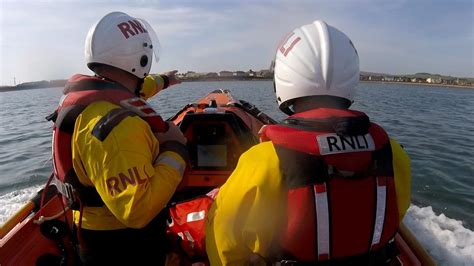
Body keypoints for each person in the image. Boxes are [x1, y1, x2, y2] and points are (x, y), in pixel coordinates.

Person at [205, 20, 411, 265]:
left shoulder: (263, 160)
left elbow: (223, 246)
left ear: (283, 76)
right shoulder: (391, 152)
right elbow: (396, 211)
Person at [48, 12, 188, 265]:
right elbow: (138, 210)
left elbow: (135, 89)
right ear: (141, 57)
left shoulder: (94, 99)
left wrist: (166, 80)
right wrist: (174, 147)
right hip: (124, 245)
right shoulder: (120, 128)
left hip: (92, 234)